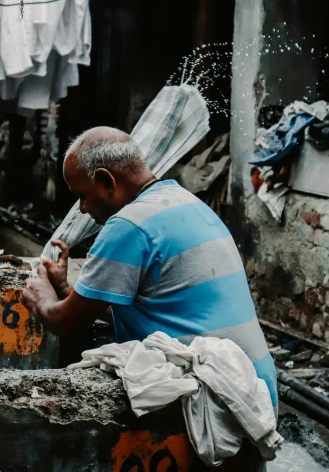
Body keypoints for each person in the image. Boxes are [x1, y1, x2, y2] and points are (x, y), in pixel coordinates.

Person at [22, 126, 278, 407]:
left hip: (219, 399)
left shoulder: (127, 225)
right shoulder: (185, 201)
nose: (82, 208)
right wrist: (64, 288)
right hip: (257, 389)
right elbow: (146, 308)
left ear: (107, 181)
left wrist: (42, 296)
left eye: (82, 195)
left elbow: (66, 322)